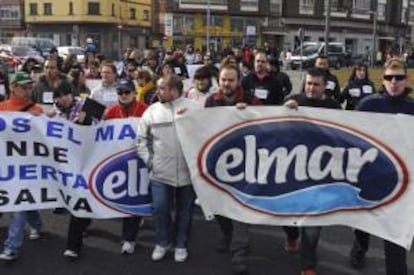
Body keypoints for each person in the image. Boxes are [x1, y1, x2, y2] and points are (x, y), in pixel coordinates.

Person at [349, 58, 412, 275]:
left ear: (407, 79)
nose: (394, 82)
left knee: (395, 237)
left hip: (402, 180)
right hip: (371, 175)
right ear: (382, 80)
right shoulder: (369, 104)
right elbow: (345, 132)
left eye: (399, 77)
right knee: (364, 221)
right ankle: (359, 249)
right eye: (389, 77)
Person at [205, 64, 261, 275]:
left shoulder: (251, 101)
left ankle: (239, 253)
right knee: (218, 204)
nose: (226, 84)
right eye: (223, 80)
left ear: (239, 81)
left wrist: (249, 114)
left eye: (231, 80)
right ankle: (227, 233)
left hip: (246, 163)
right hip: (218, 163)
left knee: (240, 207)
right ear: (218, 82)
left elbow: (265, 125)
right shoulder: (211, 101)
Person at [137, 74, 200, 263]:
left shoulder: (194, 108)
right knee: (160, 208)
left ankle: (181, 244)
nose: (157, 92)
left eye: (162, 88)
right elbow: (141, 140)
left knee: (185, 211)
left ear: (174, 90)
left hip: (188, 174)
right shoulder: (151, 111)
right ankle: (162, 243)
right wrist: (150, 162)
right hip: (159, 173)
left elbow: (208, 134)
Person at [284, 68, 342, 275]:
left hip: (320, 173)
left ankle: (308, 265)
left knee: (313, 220)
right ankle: (291, 236)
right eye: (308, 83)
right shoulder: (293, 101)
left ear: (325, 86)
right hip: (290, 169)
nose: (311, 88)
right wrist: (284, 110)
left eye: (316, 84)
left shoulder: (334, 107)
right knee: (287, 215)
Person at [0, 71, 44, 261]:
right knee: (25, 201)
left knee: (18, 204)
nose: (27, 90)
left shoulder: (37, 109)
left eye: (29, 87)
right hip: (7, 166)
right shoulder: (2, 108)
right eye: (23, 86)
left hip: (27, 165)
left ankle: (12, 246)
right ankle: (37, 224)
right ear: (13, 87)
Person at [104, 78, 148, 255]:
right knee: (124, 198)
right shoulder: (111, 112)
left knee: (135, 197)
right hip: (118, 162)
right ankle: (130, 233)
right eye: (120, 92)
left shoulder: (145, 110)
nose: (123, 95)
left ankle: (129, 238)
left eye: (126, 92)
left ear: (134, 92)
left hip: (140, 161)